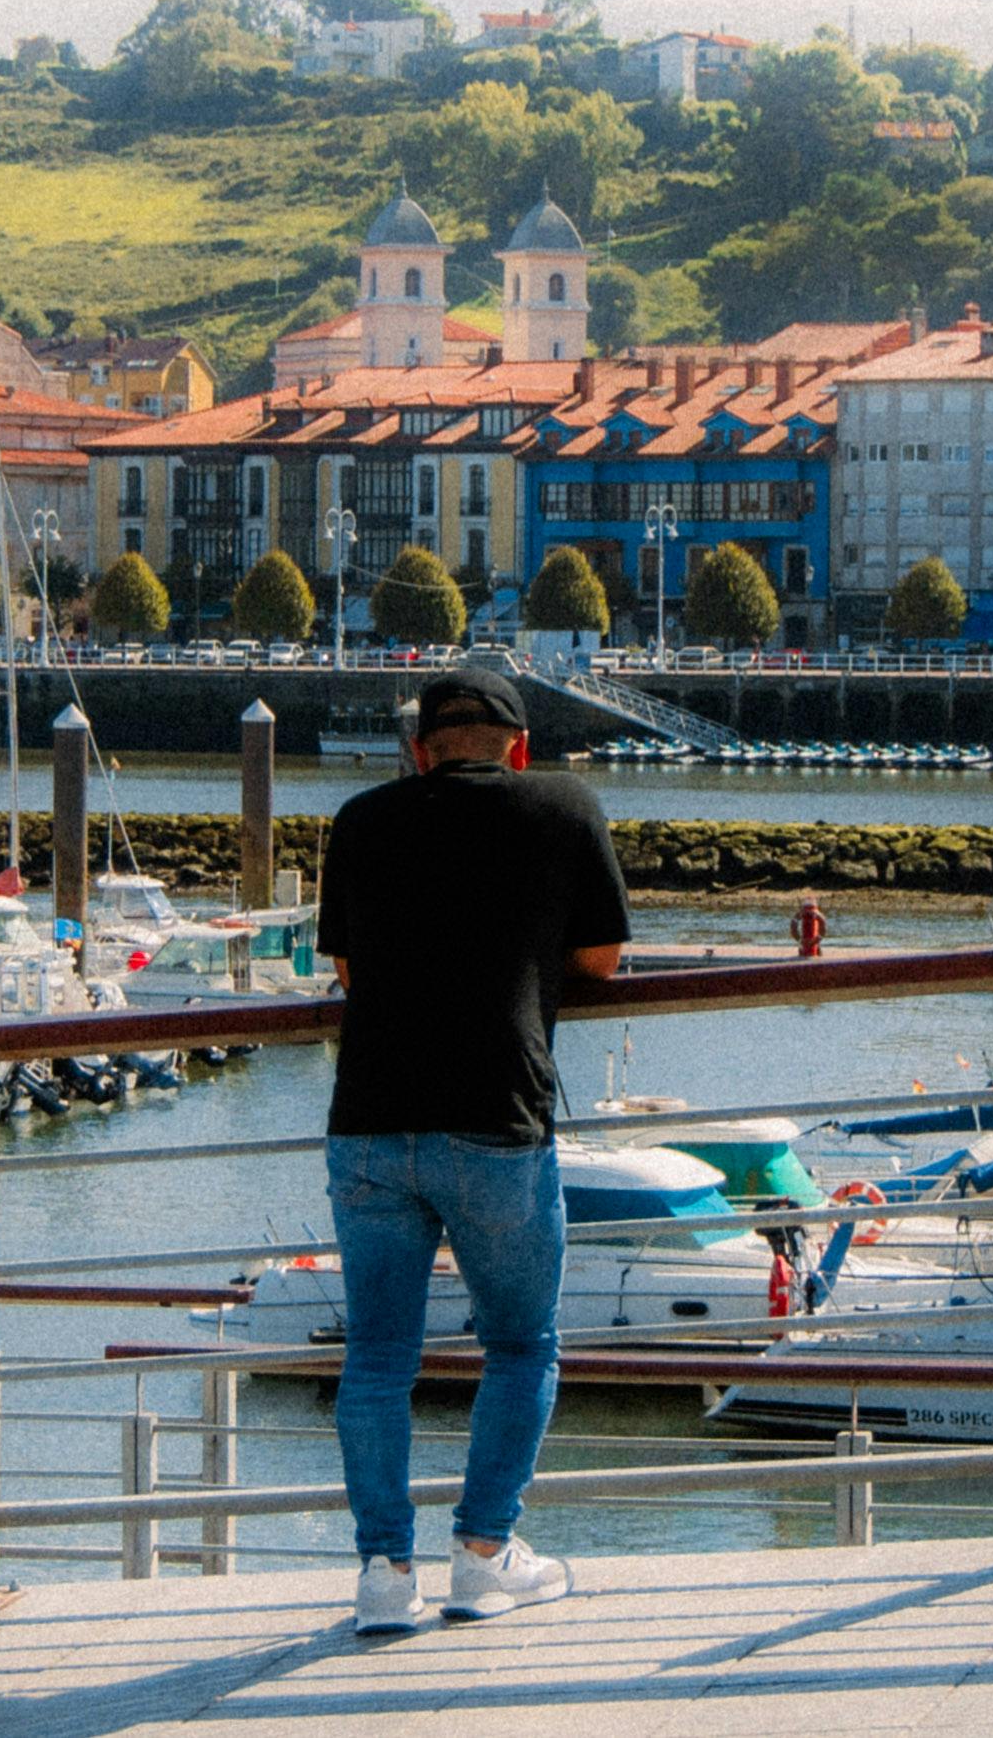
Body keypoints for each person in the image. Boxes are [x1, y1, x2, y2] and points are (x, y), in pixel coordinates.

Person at [316, 663, 628, 1636]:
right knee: (522, 1342)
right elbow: (603, 960)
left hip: (368, 1118)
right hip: (496, 1117)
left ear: (417, 751)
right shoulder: (565, 807)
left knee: (374, 1358)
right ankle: (484, 1554)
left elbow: (346, 966)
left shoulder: (361, 820)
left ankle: (381, 1573)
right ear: (518, 748)